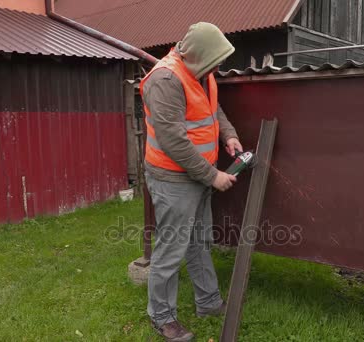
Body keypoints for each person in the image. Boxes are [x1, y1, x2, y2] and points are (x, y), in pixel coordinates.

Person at [140, 22, 242, 342]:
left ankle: (208, 302)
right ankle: (162, 317)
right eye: (216, 60)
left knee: (199, 241)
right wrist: (213, 176)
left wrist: (229, 135)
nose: (219, 66)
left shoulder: (200, 72)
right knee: (171, 250)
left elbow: (214, 110)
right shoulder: (166, 79)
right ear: (199, 55)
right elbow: (174, 141)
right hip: (172, 179)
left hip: (196, 175)